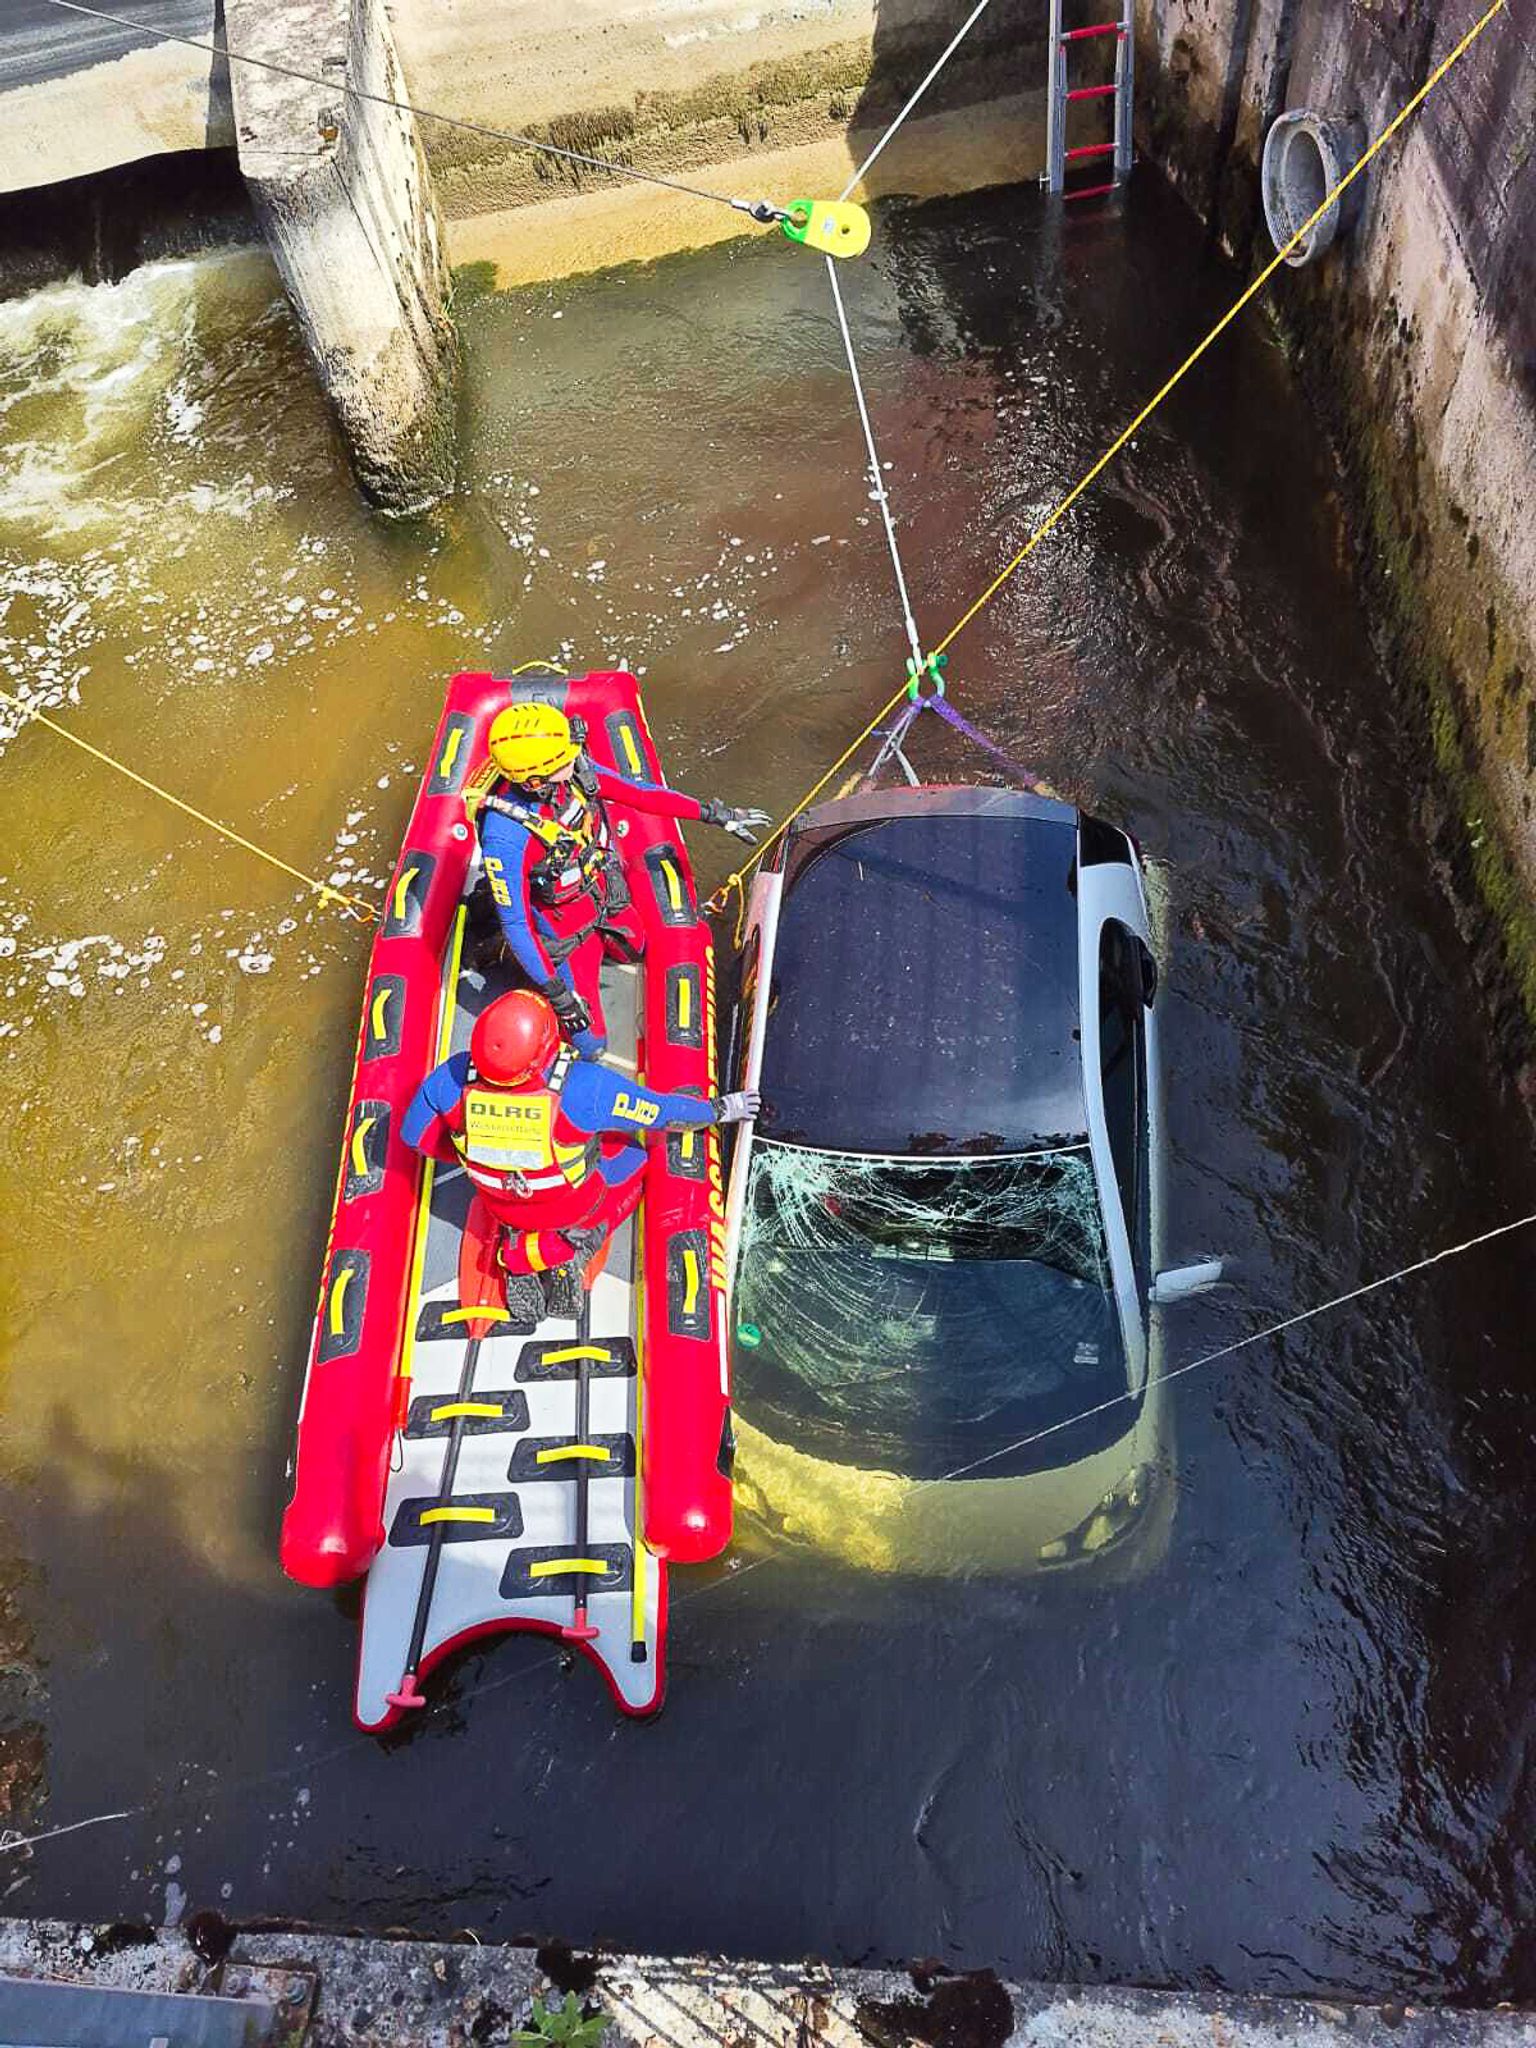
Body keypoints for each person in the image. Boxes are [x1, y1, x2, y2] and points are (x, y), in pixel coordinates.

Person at [403, 989, 759, 1327]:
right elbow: (662, 1114)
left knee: (519, 1192)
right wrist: (722, 1109)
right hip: (574, 1206)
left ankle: (519, 1254)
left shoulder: (449, 1079)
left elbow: (414, 1137)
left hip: (501, 1204)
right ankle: (574, 1245)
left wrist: (475, 1160)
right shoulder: (584, 1086)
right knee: (634, 1154)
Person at [475, 700, 769, 1056]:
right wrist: (559, 995)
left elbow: (641, 794)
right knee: (591, 1045)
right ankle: (505, 956)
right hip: (564, 928)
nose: (576, 760)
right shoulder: (505, 837)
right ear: (535, 781)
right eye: (564, 761)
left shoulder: (575, 775)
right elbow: (518, 923)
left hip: (601, 895)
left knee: (636, 948)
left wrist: (714, 814)